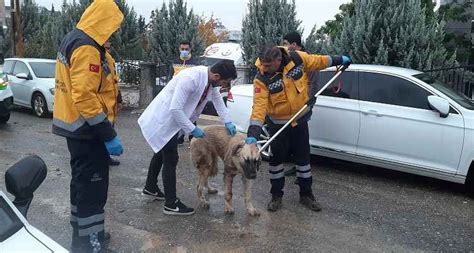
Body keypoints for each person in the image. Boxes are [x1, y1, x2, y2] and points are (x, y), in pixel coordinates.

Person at [52, 0, 124, 251]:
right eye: (112, 26)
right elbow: (84, 96)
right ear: (103, 20)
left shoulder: (77, 39)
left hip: (78, 130)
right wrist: (108, 135)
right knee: (92, 191)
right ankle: (91, 244)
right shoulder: (87, 47)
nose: (112, 32)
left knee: (81, 186)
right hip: (88, 132)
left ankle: (82, 236)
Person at [245, 45, 350, 212]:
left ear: (279, 60)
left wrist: (339, 60)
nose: (263, 68)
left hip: (299, 120)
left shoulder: (297, 59)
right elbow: (259, 108)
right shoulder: (261, 78)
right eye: (263, 64)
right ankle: (276, 196)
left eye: (267, 65)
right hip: (278, 125)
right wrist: (253, 135)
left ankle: (306, 195)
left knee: (303, 160)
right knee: (276, 162)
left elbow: (319, 61)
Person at [138, 59, 238, 216]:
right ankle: (171, 204)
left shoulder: (210, 82)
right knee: (170, 158)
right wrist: (193, 129)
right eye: (224, 82)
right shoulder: (190, 79)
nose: (223, 85)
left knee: (160, 152)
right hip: (165, 119)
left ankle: (150, 187)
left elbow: (218, 101)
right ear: (217, 76)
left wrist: (228, 121)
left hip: (174, 122)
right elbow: (175, 109)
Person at [171, 40, 200, 144]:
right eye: (182, 49)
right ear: (179, 49)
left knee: (191, 116)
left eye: (186, 49)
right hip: (177, 93)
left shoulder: (195, 63)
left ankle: (193, 139)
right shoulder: (175, 61)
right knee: (178, 116)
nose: (184, 51)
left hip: (190, 95)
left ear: (190, 49)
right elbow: (172, 77)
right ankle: (179, 138)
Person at [104, 40, 122, 167]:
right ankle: (102, 157)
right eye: (106, 46)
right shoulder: (99, 57)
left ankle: (106, 156)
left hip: (111, 101)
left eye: (109, 45)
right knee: (104, 130)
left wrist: (119, 98)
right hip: (103, 103)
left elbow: (114, 81)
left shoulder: (109, 58)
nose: (108, 47)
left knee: (110, 128)